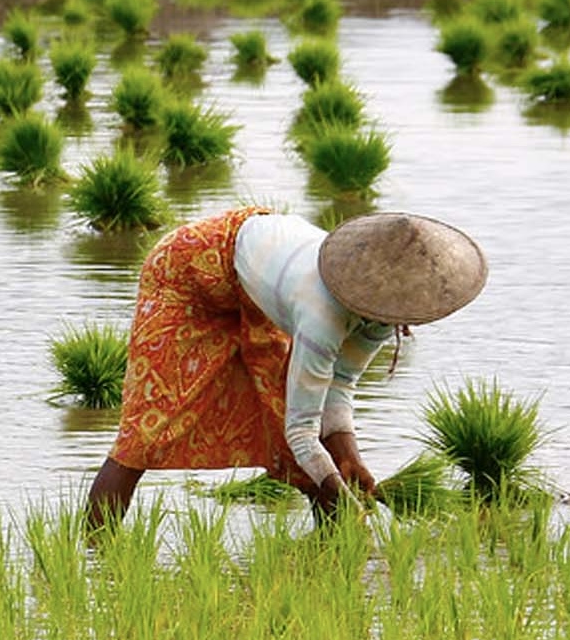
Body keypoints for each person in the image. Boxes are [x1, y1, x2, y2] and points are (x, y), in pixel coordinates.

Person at [84, 206, 487, 527]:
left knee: (282, 419)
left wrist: (352, 459)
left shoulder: (382, 312)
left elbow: (340, 384)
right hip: (186, 272)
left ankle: (334, 554)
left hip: (255, 287)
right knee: (146, 431)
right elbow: (303, 429)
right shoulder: (321, 314)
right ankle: (94, 559)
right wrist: (336, 486)